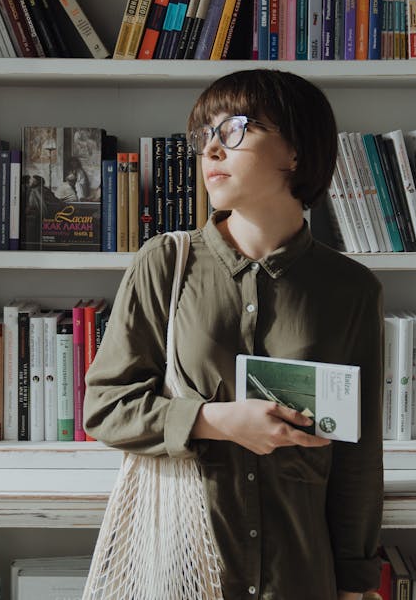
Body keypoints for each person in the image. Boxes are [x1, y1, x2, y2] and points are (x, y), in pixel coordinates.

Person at [84, 69, 384, 600]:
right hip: (181, 567)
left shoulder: (350, 290)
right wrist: (213, 420)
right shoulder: (165, 264)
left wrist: (354, 583)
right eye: (205, 134)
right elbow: (106, 408)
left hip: (297, 575)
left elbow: (356, 458)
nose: (212, 149)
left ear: (295, 150)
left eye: (236, 129)